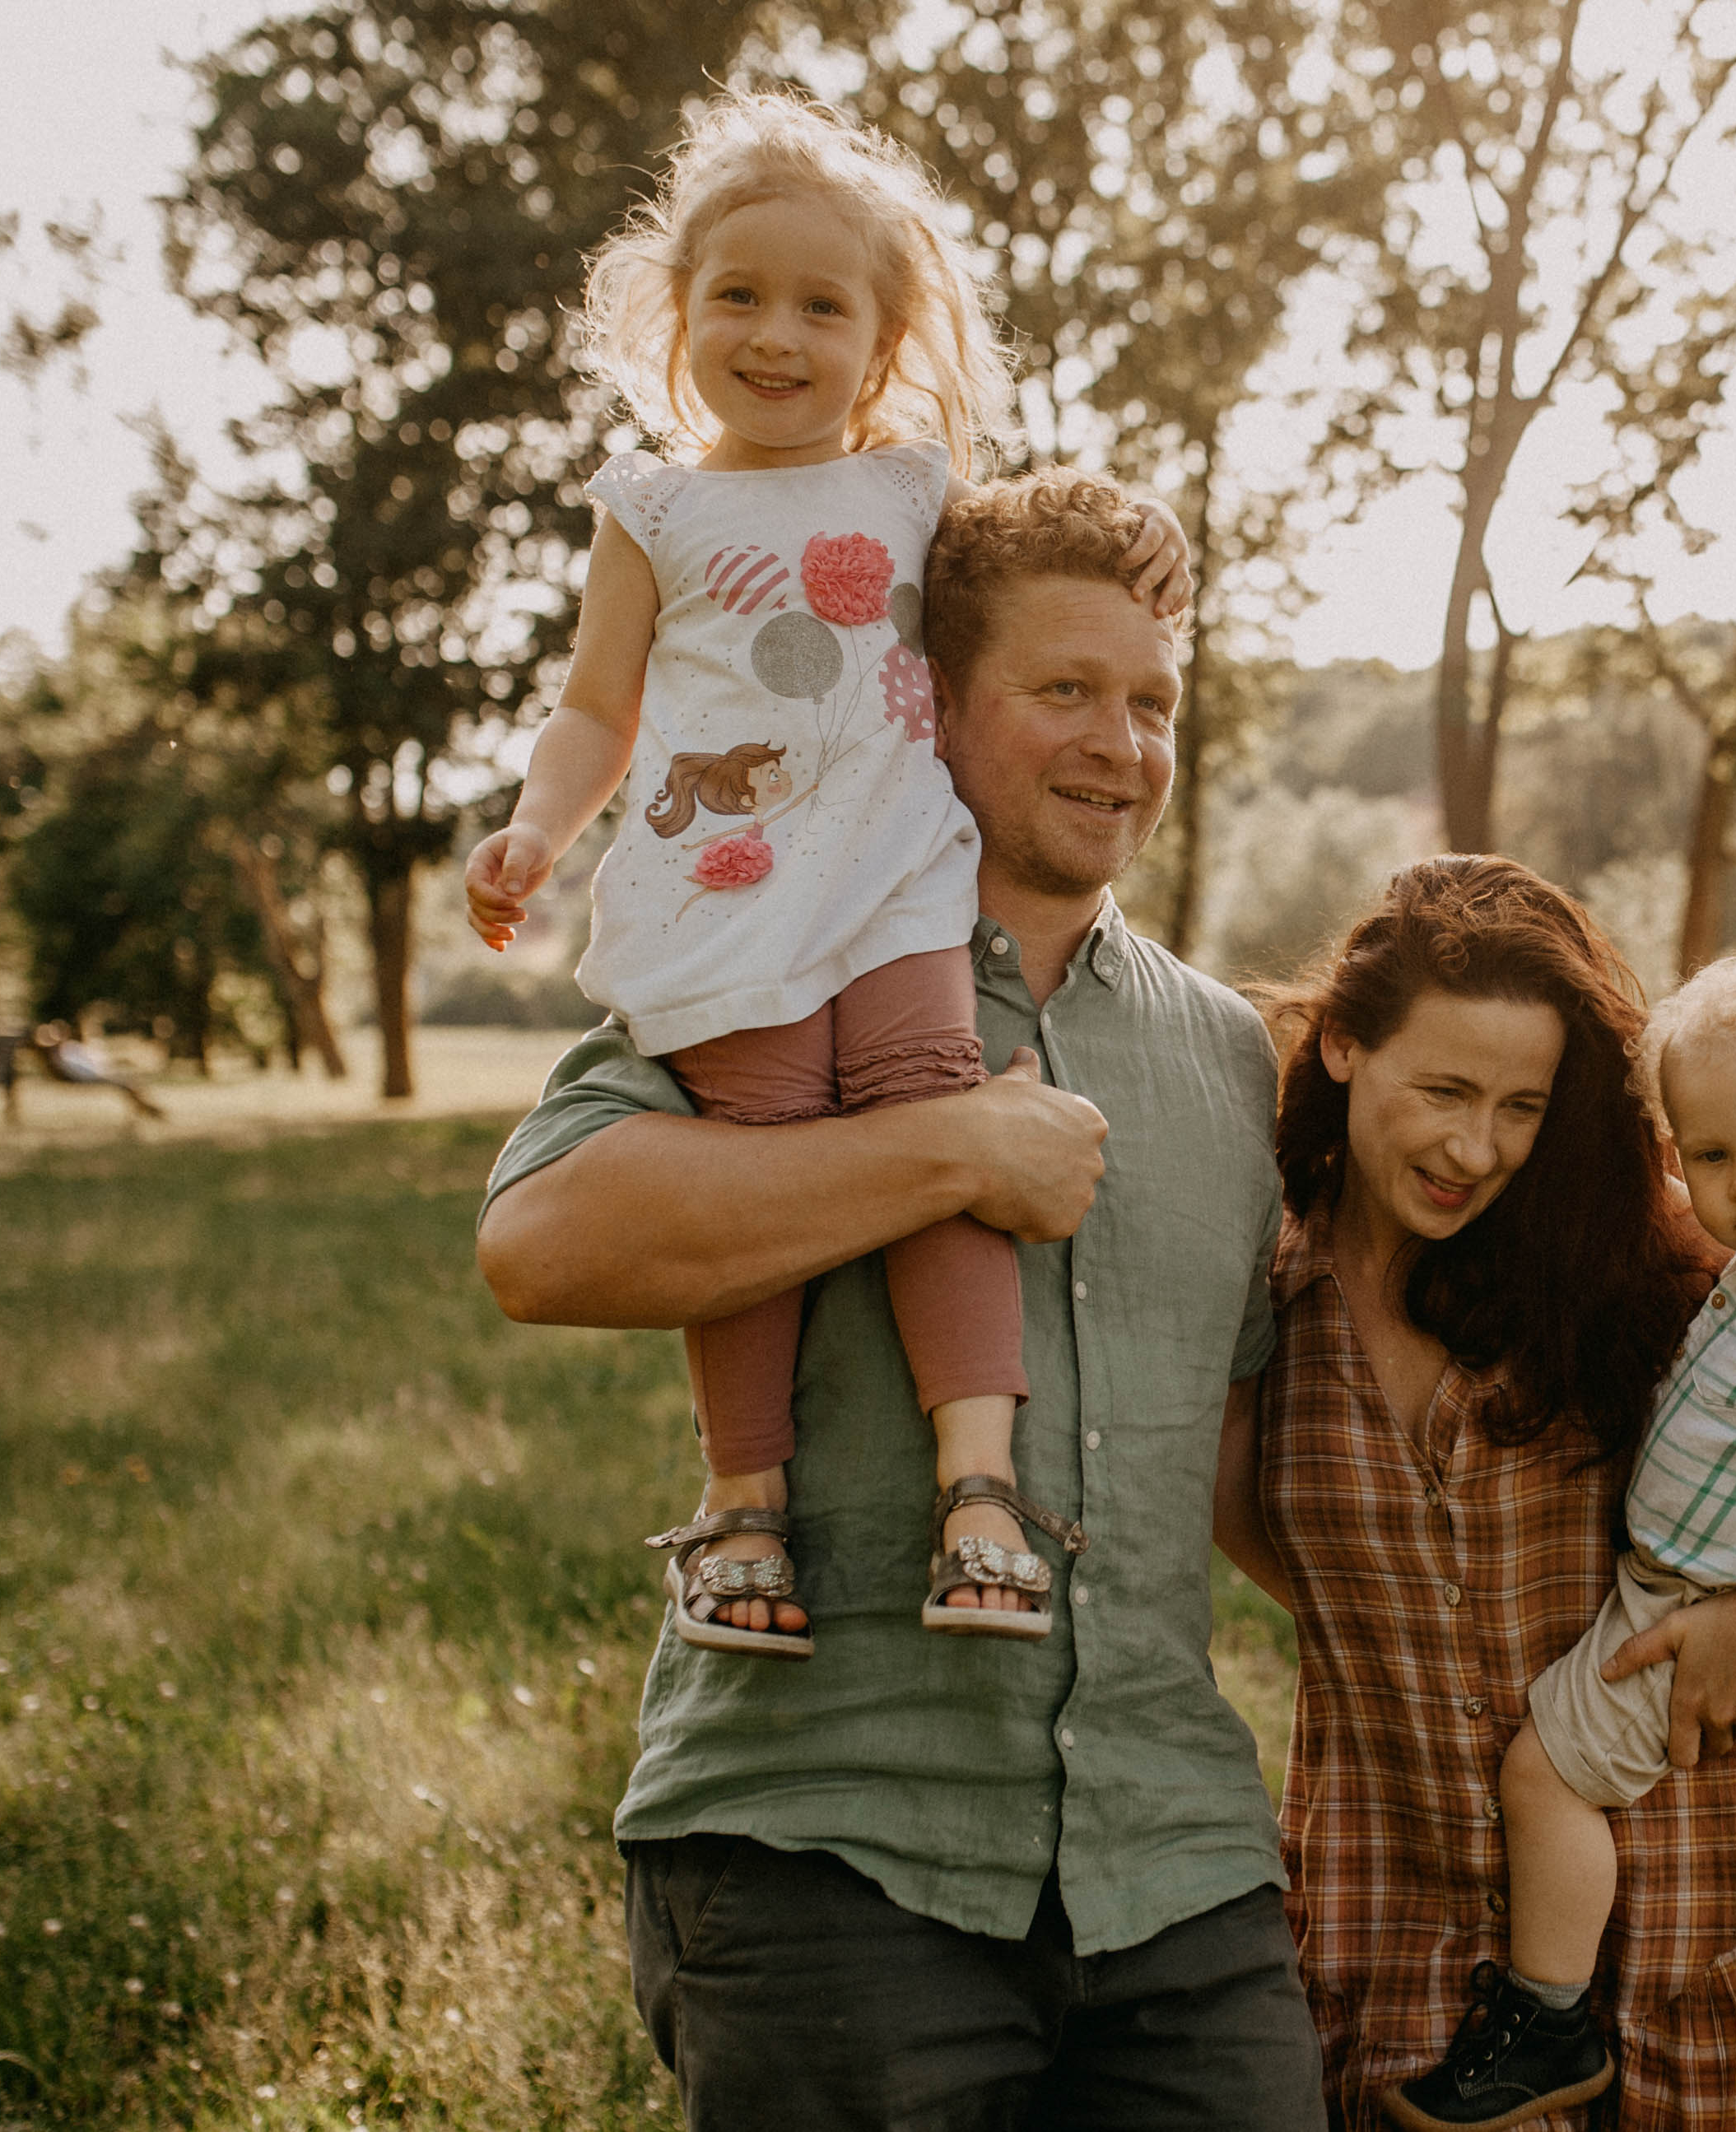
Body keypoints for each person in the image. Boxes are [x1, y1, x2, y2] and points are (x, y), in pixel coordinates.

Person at [473, 466, 1322, 2129]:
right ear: (928, 699)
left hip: (1175, 1870)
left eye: (1151, 700)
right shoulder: (764, 955)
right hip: (828, 1845)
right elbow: (546, 1240)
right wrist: (948, 1148)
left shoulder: (1222, 1051)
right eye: (1065, 690)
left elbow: (1225, 1454)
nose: (1121, 742)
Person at [461, 91, 1190, 1657]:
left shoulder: (912, 490)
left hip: (895, 884)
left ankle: (979, 1490)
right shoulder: (649, 508)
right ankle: (742, 1503)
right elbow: (601, 706)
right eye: (738, 296)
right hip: (728, 893)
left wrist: (1149, 541)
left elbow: (1053, 567)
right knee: (764, 1162)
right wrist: (538, 829)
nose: (775, 335)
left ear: (884, 337)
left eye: (821, 305)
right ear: (676, 311)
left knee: (943, 1116)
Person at [1217, 860, 1736, 2132]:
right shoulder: (1262, 1280)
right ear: (1341, 1045)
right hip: (1405, 1930)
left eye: (1520, 1105)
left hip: (1701, 1912)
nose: (1473, 1147)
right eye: (1442, 1089)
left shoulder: (1648, 1254)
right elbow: (1251, 1529)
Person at [1383, 943, 1736, 2129]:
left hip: (1719, 1607)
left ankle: (1549, 2018)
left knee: (1545, 1771)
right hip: (1687, 1578)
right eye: (1711, 1155)